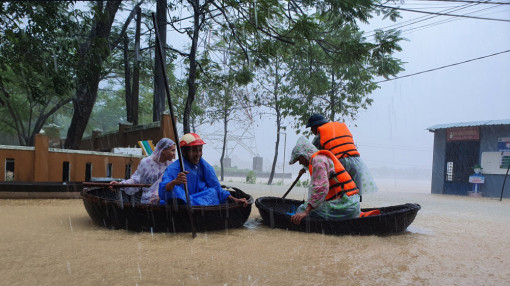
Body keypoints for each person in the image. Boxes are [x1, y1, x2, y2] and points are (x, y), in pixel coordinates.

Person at [158, 133, 249, 207]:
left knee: (212, 192)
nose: (198, 154)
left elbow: (217, 188)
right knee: (176, 191)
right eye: (194, 151)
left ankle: (190, 204)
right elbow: (163, 189)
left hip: (197, 201)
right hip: (182, 202)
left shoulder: (206, 167)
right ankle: (188, 204)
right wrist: (175, 182)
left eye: (200, 150)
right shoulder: (174, 168)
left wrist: (235, 199)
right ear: (184, 152)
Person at [289, 137, 360, 225]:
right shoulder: (320, 158)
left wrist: (306, 211)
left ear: (305, 154)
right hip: (351, 204)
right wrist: (304, 169)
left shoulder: (318, 161)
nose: (299, 163)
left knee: (301, 209)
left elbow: (321, 188)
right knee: (307, 207)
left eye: (299, 159)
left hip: (345, 207)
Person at [306, 113, 378, 195]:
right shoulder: (339, 128)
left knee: (338, 193)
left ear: (316, 126)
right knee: (356, 192)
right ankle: (356, 206)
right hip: (357, 163)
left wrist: (304, 167)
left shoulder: (320, 134)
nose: (311, 131)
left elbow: (312, 155)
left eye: (311, 128)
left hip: (340, 163)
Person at [110, 138, 176, 204]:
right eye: (172, 150)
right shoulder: (147, 163)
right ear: (163, 150)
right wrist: (120, 184)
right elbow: (136, 180)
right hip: (148, 202)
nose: (174, 153)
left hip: (166, 202)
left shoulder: (172, 164)